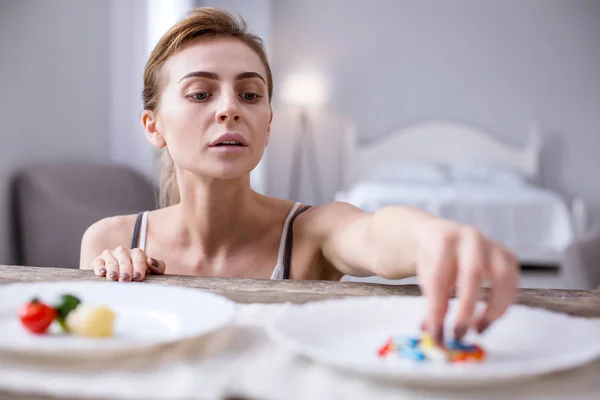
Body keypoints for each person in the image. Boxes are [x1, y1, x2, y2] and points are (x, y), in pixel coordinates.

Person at [79, 7, 518, 344]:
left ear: (267, 124)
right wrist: (116, 288)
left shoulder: (311, 233)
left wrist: (434, 237)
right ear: (153, 126)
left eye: (250, 94)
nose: (230, 108)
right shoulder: (108, 242)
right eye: (200, 93)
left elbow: (373, 233)